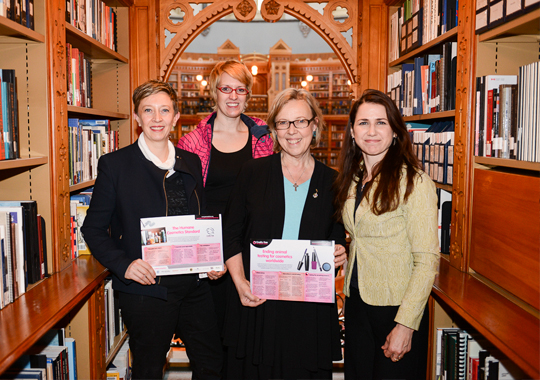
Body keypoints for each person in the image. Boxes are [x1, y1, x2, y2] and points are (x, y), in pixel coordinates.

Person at [81, 80, 222, 379]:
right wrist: (125, 265)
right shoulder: (115, 165)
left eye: (164, 110)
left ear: (175, 117)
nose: (157, 119)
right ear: (136, 117)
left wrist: (212, 259)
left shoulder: (192, 161)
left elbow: (202, 218)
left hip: (196, 287)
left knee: (211, 364)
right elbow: (92, 229)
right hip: (146, 290)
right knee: (148, 370)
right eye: (148, 110)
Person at [223, 88, 347, 379]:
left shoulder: (333, 181)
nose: (292, 131)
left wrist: (340, 251)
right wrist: (240, 283)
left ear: (315, 125)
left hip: (308, 312)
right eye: (283, 123)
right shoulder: (252, 172)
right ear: (274, 129)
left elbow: (337, 237)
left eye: (300, 121)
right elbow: (230, 234)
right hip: (257, 303)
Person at [333, 89, 439, 379]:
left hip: (396, 307)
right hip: (356, 302)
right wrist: (344, 248)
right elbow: (361, 234)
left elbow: (427, 261)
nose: (372, 131)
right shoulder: (352, 180)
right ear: (352, 132)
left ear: (394, 131)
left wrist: (405, 325)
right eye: (363, 123)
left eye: (381, 122)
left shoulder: (415, 182)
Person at [177, 60, 273, 334]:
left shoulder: (263, 136)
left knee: (251, 331)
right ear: (214, 92)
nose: (233, 96)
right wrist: (205, 254)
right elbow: (186, 204)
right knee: (213, 333)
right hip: (211, 250)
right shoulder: (192, 142)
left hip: (254, 246)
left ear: (248, 95)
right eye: (226, 88)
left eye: (240, 90)